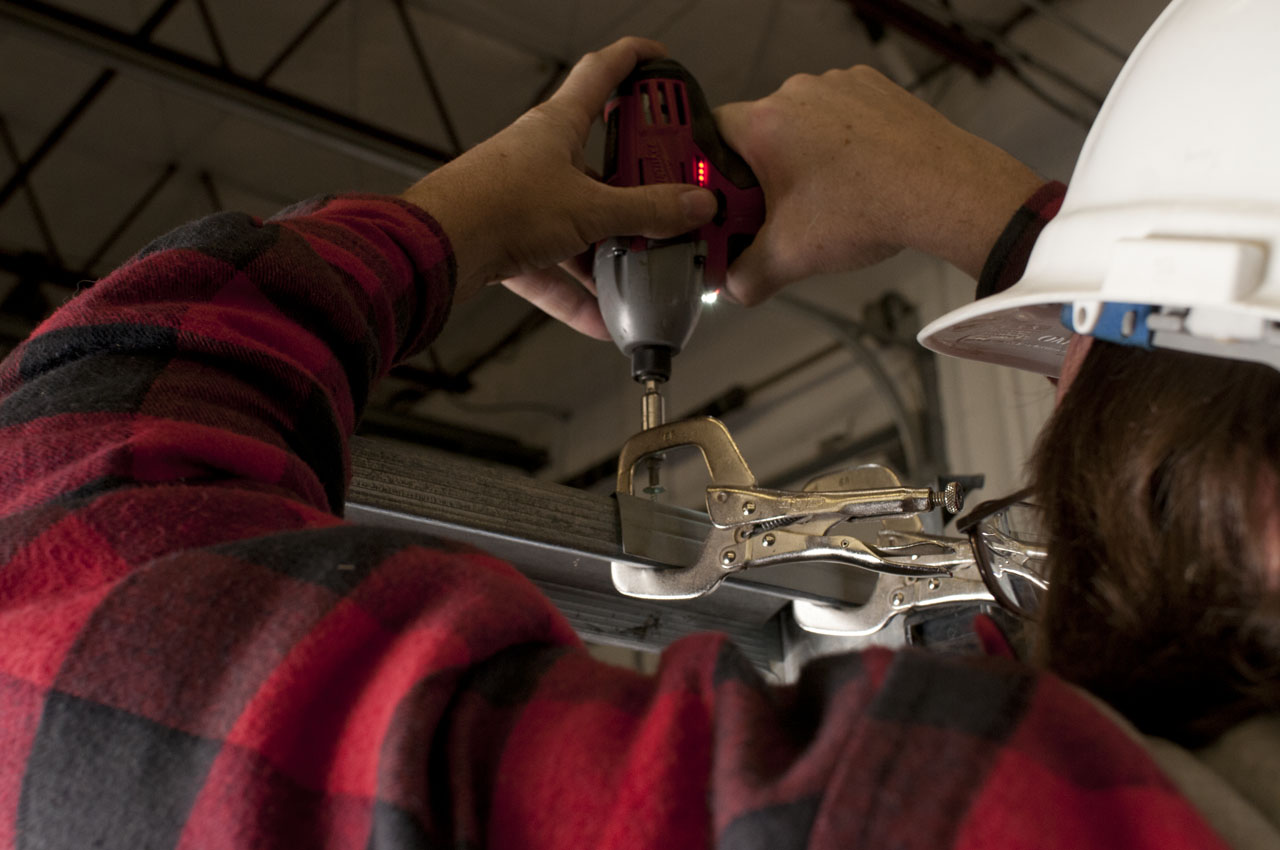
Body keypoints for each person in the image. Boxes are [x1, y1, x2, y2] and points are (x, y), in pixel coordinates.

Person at [0, 0, 1276, 846]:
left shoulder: (991, 808)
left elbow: (61, 589)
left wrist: (449, 224)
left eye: (1089, 367)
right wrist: (1026, 233)